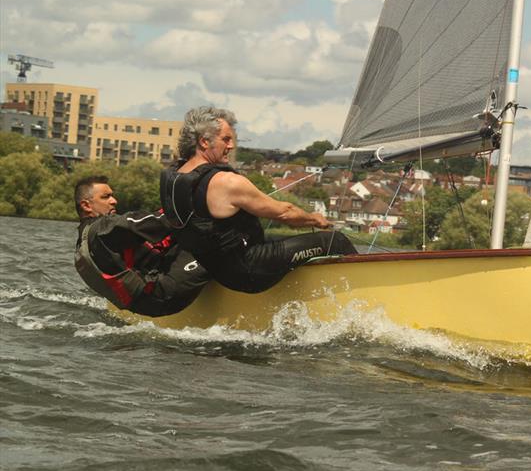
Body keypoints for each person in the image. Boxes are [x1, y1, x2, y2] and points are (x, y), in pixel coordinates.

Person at [160, 106, 357, 294]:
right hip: (250, 271)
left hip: (221, 272)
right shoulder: (227, 182)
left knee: (286, 243)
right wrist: (314, 219)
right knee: (334, 240)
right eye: (226, 139)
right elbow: (285, 213)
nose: (232, 145)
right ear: (204, 142)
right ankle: (363, 296)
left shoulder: (174, 177)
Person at [74, 175, 210, 316]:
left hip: (143, 305)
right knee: (214, 242)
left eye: (112, 196)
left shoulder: (85, 240)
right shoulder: (104, 229)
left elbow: (150, 249)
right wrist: (198, 203)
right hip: (162, 295)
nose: (114, 201)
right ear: (86, 206)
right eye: (105, 197)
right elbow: (156, 222)